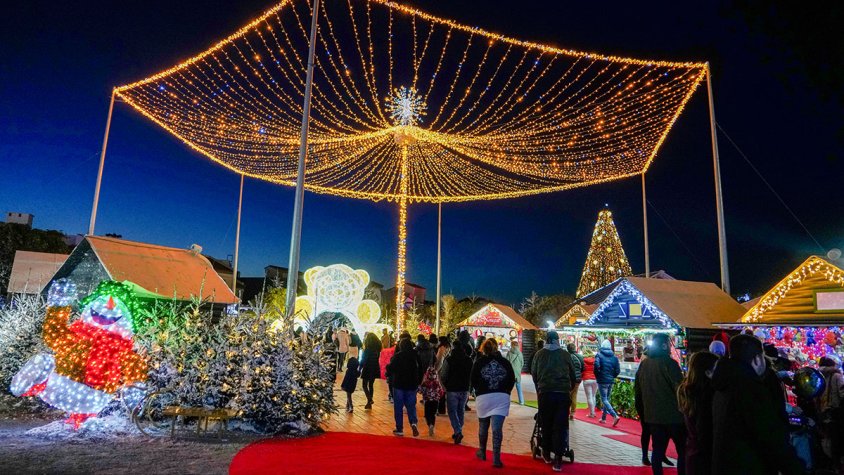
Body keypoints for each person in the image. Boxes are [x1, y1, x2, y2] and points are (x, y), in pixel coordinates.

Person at [711, 334, 804, 474]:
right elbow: (770, 435)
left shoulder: (723, 384)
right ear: (757, 359)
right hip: (751, 466)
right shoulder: (751, 388)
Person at [635, 333, 686, 475]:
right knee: (682, 450)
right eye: (669, 344)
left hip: (653, 415)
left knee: (657, 450)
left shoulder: (644, 364)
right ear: (664, 345)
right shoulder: (669, 364)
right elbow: (679, 388)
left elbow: (638, 389)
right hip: (673, 415)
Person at [531, 332, 576, 471]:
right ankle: (558, 457)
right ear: (557, 340)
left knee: (546, 423)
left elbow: (534, 374)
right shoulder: (565, 355)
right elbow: (573, 375)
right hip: (562, 393)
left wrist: (539, 387)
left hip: (545, 393)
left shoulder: (539, 354)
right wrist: (569, 389)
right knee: (560, 426)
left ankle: (546, 451)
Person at [471, 339, 516, 468]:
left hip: (484, 397)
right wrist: (506, 391)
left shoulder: (479, 362)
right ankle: (496, 459)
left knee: (483, 426)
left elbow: (473, 379)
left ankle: (482, 451)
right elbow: (511, 379)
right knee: (497, 429)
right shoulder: (505, 362)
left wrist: (479, 391)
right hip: (501, 397)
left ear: (483, 349)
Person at [677, 351, 719, 475]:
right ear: (707, 372)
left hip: (693, 452)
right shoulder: (707, 395)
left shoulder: (688, 391)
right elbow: (705, 430)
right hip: (705, 456)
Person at [387, 338, 421, 437]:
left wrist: (387, 370)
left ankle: (399, 428)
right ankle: (413, 423)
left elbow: (391, 368)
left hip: (399, 384)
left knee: (398, 407)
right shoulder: (415, 356)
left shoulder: (398, 356)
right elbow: (421, 369)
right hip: (412, 385)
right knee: (411, 406)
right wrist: (419, 381)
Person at [441, 340, 472, 444]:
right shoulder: (469, 360)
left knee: (452, 411)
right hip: (464, 389)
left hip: (452, 389)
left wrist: (444, 385)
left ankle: (458, 431)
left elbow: (443, 374)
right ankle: (458, 431)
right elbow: (472, 375)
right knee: (460, 410)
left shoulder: (449, 359)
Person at [819, 355, 844, 470]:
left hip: (823, 412)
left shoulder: (818, 377)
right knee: (839, 439)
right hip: (837, 412)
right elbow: (842, 393)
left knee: (830, 439)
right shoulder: (837, 376)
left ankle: (833, 465)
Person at [594, 339, 621, 426]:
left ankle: (614, 415)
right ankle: (603, 418)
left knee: (604, 399)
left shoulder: (599, 355)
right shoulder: (615, 357)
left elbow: (596, 366)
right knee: (607, 399)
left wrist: (598, 375)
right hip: (610, 380)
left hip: (602, 380)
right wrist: (613, 376)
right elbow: (618, 370)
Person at [419, 364, 445, 436]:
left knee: (427, 414)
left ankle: (429, 424)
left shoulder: (425, 383)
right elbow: (441, 392)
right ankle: (432, 425)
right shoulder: (437, 383)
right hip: (435, 401)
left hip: (427, 401)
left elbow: (420, 391)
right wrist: (437, 396)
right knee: (433, 414)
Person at [360, 332, 382, 410]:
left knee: (364, 385)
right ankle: (369, 403)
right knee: (371, 385)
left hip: (367, 368)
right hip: (375, 368)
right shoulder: (377, 350)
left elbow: (363, 360)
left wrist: (359, 368)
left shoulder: (367, 350)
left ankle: (369, 399)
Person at [567, 343, 584, 420]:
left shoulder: (566, 356)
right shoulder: (580, 357)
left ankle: (566, 412)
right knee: (574, 395)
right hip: (577, 379)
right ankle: (572, 413)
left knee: (567, 395)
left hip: (568, 379)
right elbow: (583, 368)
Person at [505, 339, 525, 405]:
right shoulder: (520, 353)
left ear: (512, 345)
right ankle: (521, 401)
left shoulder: (509, 353)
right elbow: (522, 363)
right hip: (518, 373)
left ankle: (507, 401)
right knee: (519, 387)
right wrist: (519, 369)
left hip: (511, 373)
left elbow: (506, 363)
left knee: (509, 388)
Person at [436, 335, 451, 414]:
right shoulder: (448, 347)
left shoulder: (442, 348)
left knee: (441, 389)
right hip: (447, 368)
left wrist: (436, 370)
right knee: (443, 389)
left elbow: (439, 360)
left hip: (441, 370)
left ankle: (441, 408)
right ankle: (442, 408)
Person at [581, 349, 598, 418]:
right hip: (595, 379)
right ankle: (593, 412)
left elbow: (581, 369)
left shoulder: (583, 360)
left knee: (589, 397)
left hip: (586, 379)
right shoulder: (595, 360)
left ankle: (591, 413)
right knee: (593, 396)